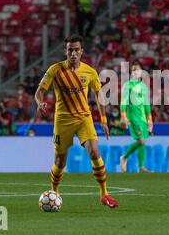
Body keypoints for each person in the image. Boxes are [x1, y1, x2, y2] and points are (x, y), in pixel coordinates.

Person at [35, 34, 119, 208]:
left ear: (82, 51)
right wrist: (40, 102)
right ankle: (54, 191)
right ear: (65, 51)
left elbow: (99, 94)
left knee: (95, 152)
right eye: (70, 50)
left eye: (76, 50)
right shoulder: (55, 70)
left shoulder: (90, 72)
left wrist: (103, 119)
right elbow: (39, 91)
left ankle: (104, 194)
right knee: (60, 161)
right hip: (63, 120)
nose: (73, 53)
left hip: (83, 118)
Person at [119, 61, 153, 173]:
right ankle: (124, 157)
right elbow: (123, 101)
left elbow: (146, 103)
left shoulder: (143, 86)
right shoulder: (127, 85)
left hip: (143, 118)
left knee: (143, 141)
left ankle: (141, 166)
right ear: (131, 72)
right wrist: (123, 116)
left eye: (138, 70)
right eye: (134, 70)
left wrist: (150, 119)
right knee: (141, 140)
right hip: (133, 117)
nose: (136, 72)